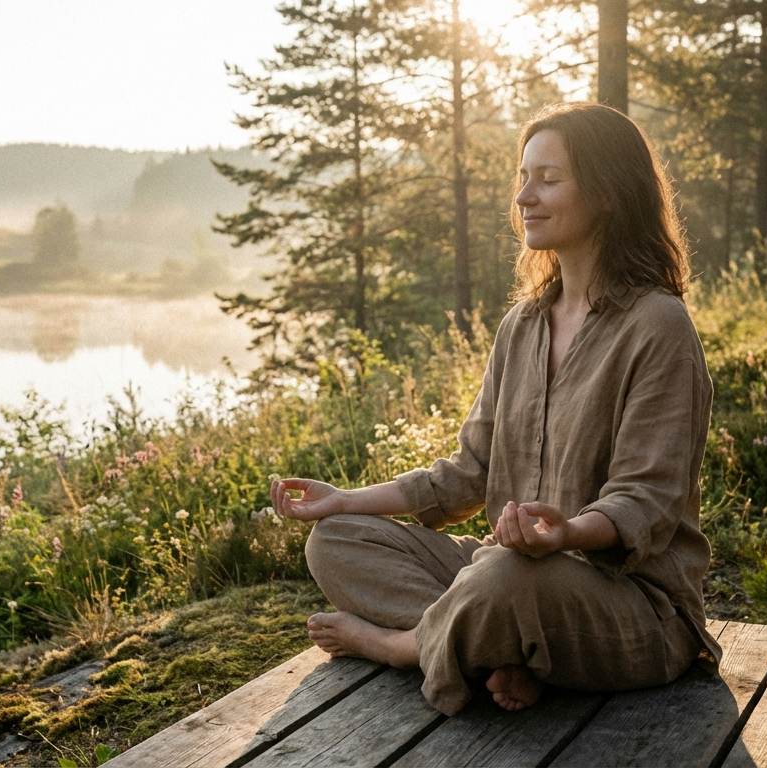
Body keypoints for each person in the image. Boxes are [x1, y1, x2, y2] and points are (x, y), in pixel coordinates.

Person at [267, 102, 721, 717]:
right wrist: (344, 500)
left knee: (503, 580)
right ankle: (500, 650)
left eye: (549, 179)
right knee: (334, 543)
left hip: (633, 603)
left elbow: (646, 501)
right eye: (522, 178)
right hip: (507, 575)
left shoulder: (658, 326)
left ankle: (403, 646)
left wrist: (564, 533)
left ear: (610, 193)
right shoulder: (522, 325)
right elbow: (466, 474)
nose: (525, 197)